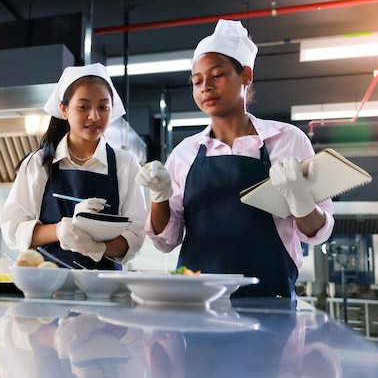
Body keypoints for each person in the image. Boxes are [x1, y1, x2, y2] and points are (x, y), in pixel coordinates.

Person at [136, 19, 334, 298]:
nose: (205, 87)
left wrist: (301, 202)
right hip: (198, 302)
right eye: (197, 81)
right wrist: (158, 196)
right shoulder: (185, 153)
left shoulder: (288, 140)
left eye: (216, 75)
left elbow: (318, 232)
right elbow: (166, 241)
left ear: (246, 75)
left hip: (270, 297)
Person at [0, 63, 147, 269]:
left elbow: (136, 235)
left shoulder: (125, 164)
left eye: (103, 107)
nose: (94, 116)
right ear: (64, 109)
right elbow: (13, 228)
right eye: (84, 106)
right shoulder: (38, 163)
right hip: (47, 285)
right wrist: (60, 230)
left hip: (104, 291)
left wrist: (97, 248)